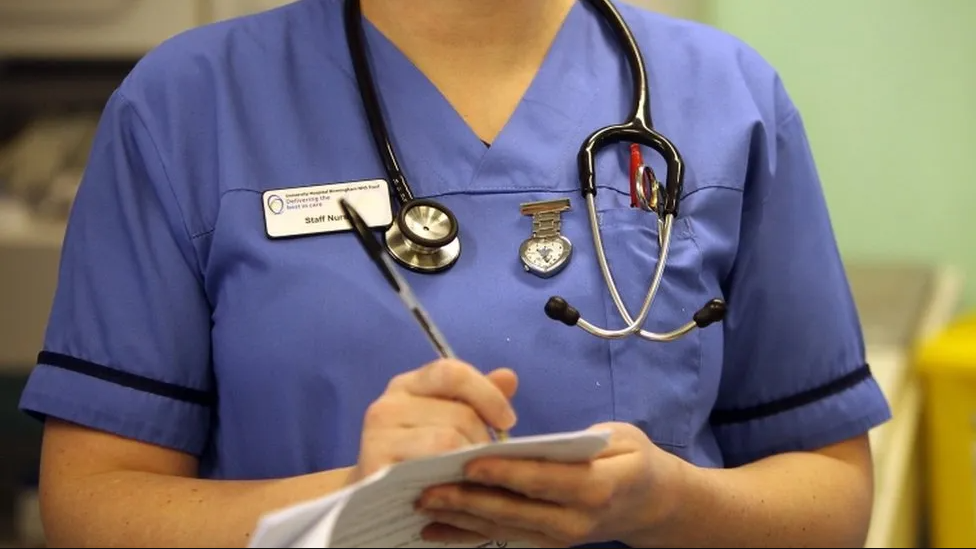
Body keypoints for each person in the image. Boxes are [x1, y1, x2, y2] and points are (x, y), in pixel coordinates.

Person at [18, 0, 891, 547]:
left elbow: (832, 494)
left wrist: (667, 504)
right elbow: (92, 506)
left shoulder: (727, 98)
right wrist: (355, 501)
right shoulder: (187, 105)